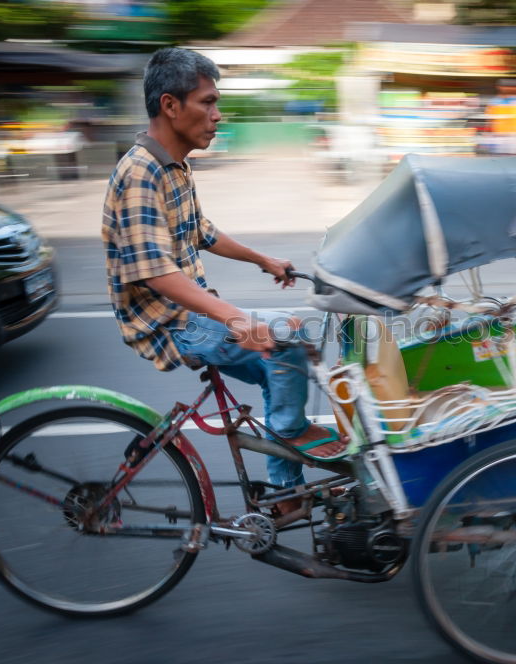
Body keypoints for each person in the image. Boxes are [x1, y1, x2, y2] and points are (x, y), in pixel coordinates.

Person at [101, 48, 345, 512]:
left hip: (190, 309)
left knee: (287, 357)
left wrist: (263, 259)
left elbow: (200, 230)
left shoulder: (174, 166)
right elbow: (155, 273)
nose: (217, 115)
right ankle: (292, 440)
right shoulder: (140, 173)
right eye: (207, 103)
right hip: (168, 322)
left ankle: (286, 493)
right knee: (284, 340)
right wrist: (237, 320)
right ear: (171, 106)